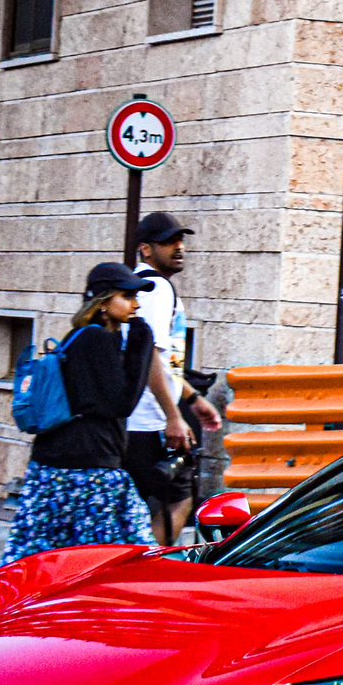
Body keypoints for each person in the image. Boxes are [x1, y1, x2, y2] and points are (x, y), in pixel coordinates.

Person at [2, 263, 162, 567]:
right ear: (102, 301)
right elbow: (121, 403)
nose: (136, 305)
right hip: (88, 474)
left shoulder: (80, 338)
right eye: (127, 296)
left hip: (58, 469)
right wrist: (142, 338)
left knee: (43, 562)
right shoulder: (96, 340)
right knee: (100, 565)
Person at [124, 211, 223, 541]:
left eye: (181, 241)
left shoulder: (139, 286)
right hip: (146, 420)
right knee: (178, 499)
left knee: (138, 504)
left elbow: (166, 364)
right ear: (146, 249)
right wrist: (172, 417)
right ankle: (143, 572)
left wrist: (193, 400)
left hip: (136, 419)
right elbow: (149, 354)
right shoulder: (156, 287)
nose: (179, 248)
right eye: (168, 242)